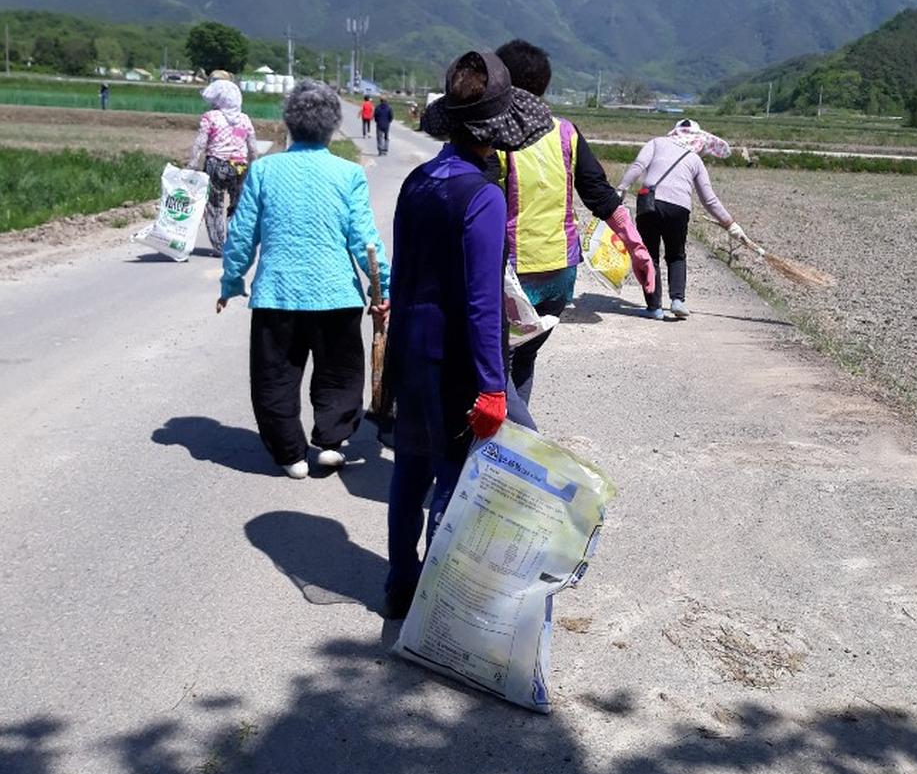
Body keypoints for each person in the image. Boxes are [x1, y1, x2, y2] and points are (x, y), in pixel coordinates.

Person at [382, 50, 552, 619]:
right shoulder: (483, 197)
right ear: (498, 130)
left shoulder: (418, 181)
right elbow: (483, 306)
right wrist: (493, 386)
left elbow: (402, 273)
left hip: (411, 346)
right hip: (454, 356)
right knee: (454, 475)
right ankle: (438, 600)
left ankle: (399, 586)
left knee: (409, 467)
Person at [217, 80, 390, 478]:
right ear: (332, 127)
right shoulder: (347, 173)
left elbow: (243, 233)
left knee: (275, 377)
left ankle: (290, 453)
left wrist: (231, 281)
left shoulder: (264, 170)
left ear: (289, 124)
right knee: (340, 372)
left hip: (278, 294)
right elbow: (365, 237)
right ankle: (330, 441)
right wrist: (383, 286)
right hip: (336, 295)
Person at [493, 39, 656, 405]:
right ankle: (513, 443)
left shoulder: (495, 134)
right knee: (525, 358)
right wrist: (636, 247)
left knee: (494, 365)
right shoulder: (565, 132)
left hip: (510, 275)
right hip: (559, 273)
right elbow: (599, 194)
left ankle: (510, 443)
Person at [618, 118, 749, 320]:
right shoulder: (695, 160)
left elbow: (639, 165)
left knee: (648, 255)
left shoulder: (657, 143)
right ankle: (677, 300)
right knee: (676, 255)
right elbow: (709, 199)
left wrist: (621, 189)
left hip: (649, 203)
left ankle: (654, 308)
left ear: (675, 132)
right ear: (698, 138)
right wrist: (730, 223)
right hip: (679, 209)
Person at [187, 80, 259, 256]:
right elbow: (253, 147)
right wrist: (254, 167)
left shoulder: (211, 117)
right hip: (240, 167)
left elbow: (200, 143)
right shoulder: (244, 120)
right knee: (237, 206)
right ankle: (235, 245)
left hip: (216, 164)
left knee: (214, 206)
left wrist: (192, 165)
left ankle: (220, 247)